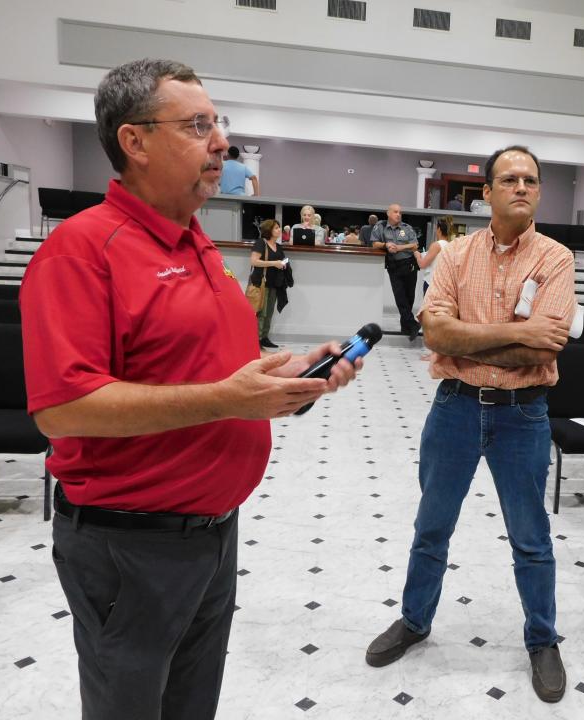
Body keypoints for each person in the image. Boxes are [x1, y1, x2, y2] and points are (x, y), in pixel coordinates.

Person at [18, 58, 360, 720]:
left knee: (190, 706)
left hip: (212, 536)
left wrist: (290, 378)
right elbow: (61, 411)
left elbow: (211, 372)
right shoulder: (83, 251)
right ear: (134, 141)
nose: (221, 141)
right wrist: (228, 399)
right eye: (197, 124)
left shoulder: (197, 246)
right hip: (130, 546)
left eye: (218, 122)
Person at [366, 146, 576, 703]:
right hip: (455, 408)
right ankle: (414, 621)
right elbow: (435, 335)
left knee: (531, 538)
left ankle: (542, 638)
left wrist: (473, 337)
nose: (522, 187)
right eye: (509, 179)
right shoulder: (456, 256)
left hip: (523, 414)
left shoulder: (555, 258)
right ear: (486, 193)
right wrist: (513, 335)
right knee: (432, 527)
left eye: (531, 179)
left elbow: (544, 348)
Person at [371, 203, 421, 340]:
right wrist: (386, 245)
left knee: (409, 298)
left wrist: (399, 247)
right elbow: (374, 244)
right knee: (400, 298)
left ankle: (406, 328)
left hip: (410, 265)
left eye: (400, 212)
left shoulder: (407, 228)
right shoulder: (380, 227)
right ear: (388, 213)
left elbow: (415, 245)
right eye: (395, 212)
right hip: (394, 266)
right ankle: (413, 325)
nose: (398, 214)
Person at [250, 218, 291, 349]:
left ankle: (264, 338)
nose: (279, 230)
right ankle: (255, 340)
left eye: (279, 227)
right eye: (276, 228)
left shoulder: (278, 246)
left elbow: (281, 261)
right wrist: (274, 263)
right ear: (269, 230)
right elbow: (254, 261)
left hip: (274, 284)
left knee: (269, 313)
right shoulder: (261, 243)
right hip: (261, 283)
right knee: (261, 313)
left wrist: (283, 265)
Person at [415, 218, 452, 296]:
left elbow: (422, 264)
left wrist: (417, 255)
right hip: (443, 284)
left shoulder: (436, 245)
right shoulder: (450, 245)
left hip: (432, 283)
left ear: (438, 229)